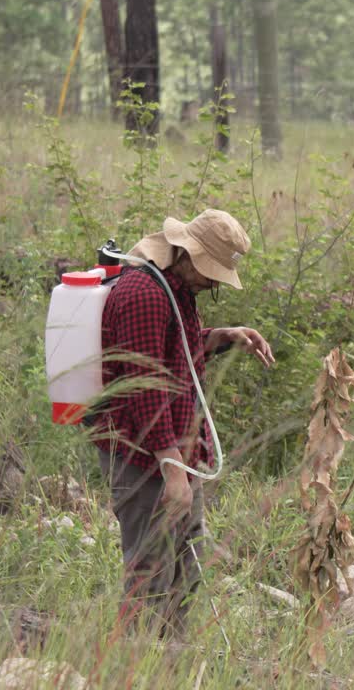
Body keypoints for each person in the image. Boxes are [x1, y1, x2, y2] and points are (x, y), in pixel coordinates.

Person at [92, 209, 274, 636]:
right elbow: (144, 386)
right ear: (188, 256)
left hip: (176, 454)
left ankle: (170, 660)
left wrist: (224, 336)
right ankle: (134, 665)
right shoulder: (144, 294)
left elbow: (176, 352)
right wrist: (173, 472)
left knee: (186, 572)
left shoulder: (174, 288)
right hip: (145, 459)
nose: (214, 283)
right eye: (212, 273)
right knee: (150, 573)